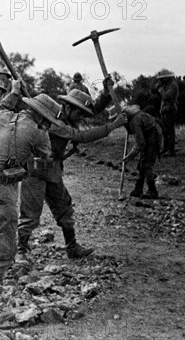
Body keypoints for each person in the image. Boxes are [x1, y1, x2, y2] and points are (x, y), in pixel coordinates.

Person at [0, 94, 60, 326]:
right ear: (42, 117)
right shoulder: (39, 132)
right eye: (47, 120)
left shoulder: (2, 115)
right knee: (5, 248)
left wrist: (14, 92)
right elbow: (45, 158)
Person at [14, 78, 127, 261]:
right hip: (36, 168)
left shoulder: (66, 118)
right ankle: (21, 251)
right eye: (79, 113)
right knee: (30, 211)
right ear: (68, 108)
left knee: (64, 207)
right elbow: (82, 136)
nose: (82, 118)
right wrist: (113, 126)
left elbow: (92, 111)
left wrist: (106, 93)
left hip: (53, 168)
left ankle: (72, 246)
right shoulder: (56, 122)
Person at [122, 105, 162, 198]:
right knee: (141, 163)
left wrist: (129, 156)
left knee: (147, 164)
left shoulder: (135, 121)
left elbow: (140, 143)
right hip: (149, 134)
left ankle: (152, 191)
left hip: (153, 135)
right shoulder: (132, 120)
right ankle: (138, 188)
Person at [153, 69, 178, 156]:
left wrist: (160, 89)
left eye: (162, 79)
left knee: (170, 131)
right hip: (164, 110)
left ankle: (171, 150)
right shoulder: (166, 85)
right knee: (165, 131)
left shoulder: (173, 85)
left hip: (170, 110)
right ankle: (165, 148)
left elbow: (167, 96)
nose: (161, 80)